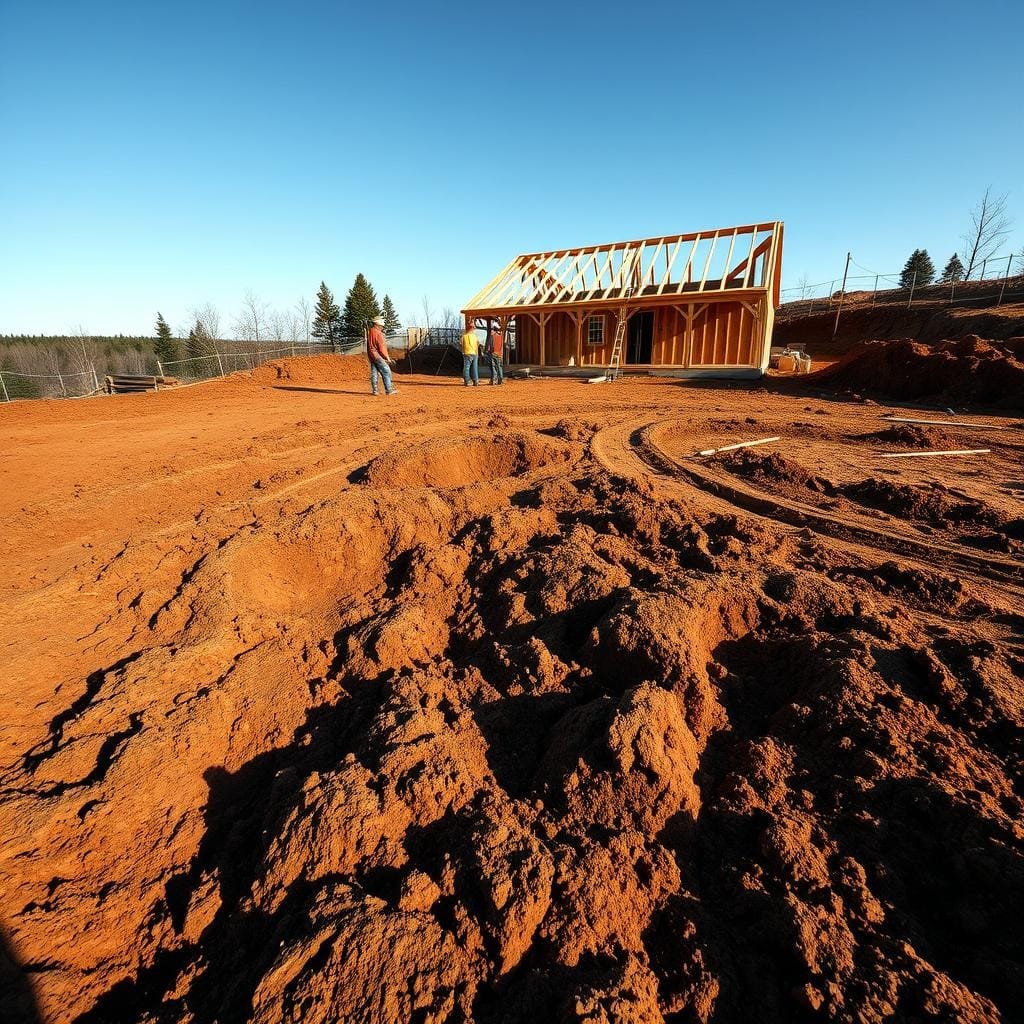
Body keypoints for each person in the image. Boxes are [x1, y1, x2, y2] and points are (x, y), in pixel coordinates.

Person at [366, 315, 396, 396]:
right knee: (386, 371)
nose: (382, 327)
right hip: (377, 355)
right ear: (378, 324)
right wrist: (387, 358)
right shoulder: (379, 333)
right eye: (381, 326)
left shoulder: (370, 331)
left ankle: (375, 391)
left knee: (374, 373)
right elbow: (382, 348)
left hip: (371, 355)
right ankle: (389, 390)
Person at [461, 320, 479, 387]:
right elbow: (477, 344)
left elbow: (461, 345)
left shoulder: (464, 336)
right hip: (474, 353)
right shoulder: (475, 336)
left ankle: (467, 381)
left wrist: (463, 352)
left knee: (466, 367)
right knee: (474, 367)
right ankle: (476, 381)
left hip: (466, 353)